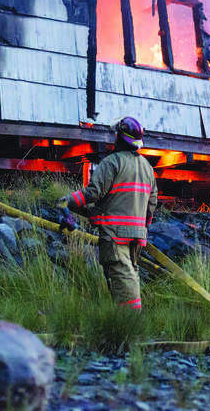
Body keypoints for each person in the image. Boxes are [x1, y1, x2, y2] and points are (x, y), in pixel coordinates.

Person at [60, 116, 158, 310]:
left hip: (115, 234)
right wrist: (143, 227)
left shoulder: (112, 162)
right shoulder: (147, 167)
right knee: (129, 273)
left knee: (122, 276)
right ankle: (121, 320)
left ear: (119, 138)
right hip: (137, 236)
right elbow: (152, 204)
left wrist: (67, 200)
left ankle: (131, 325)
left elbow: (93, 193)